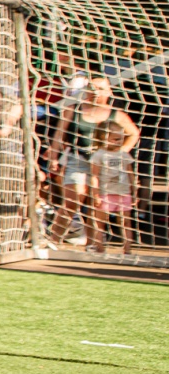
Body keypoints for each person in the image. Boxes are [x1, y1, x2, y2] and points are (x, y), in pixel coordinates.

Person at [48, 77, 137, 248]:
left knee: (97, 204)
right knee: (74, 198)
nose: (95, 92)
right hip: (78, 159)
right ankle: (53, 240)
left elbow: (134, 133)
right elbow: (59, 134)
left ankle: (93, 243)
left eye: (100, 89)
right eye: (92, 88)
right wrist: (53, 157)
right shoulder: (73, 110)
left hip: (104, 164)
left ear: (109, 92)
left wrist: (120, 152)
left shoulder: (116, 114)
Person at [88, 106, 141, 255]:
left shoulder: (123, 154)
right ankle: (100, 247)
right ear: (103, 138)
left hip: (123, 193)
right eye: (116, 139)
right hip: (105, 193)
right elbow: (94, 176)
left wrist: (134, 191)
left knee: (125, 222)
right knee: (100, 221)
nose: (119, 142)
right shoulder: (98, 155)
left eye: (121, 139)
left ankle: (127, 248)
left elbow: (130, 173)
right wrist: (95, 194)